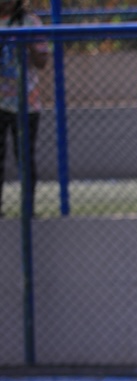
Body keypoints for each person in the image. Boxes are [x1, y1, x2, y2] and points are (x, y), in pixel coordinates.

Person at [0, 0, 47, 218]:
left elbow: (42, 61)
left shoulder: (30, 21)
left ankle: (28, 209)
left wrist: (28, 44)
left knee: (25, 158)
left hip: (26, 103)